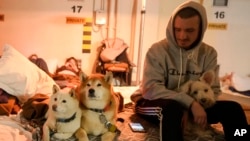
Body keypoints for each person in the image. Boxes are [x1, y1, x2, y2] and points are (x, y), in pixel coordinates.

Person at [132, 1, 249, 141]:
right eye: (177, 29)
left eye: (189, 30)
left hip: (196, 105)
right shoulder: (156, 51)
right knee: (173, 110)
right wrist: (189, 104)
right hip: (154, 103)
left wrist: (195, 106)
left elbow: (214, 90)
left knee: (233, 109)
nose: (182, 36)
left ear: (201, 29)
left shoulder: (209, 53)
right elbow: (151, 89)